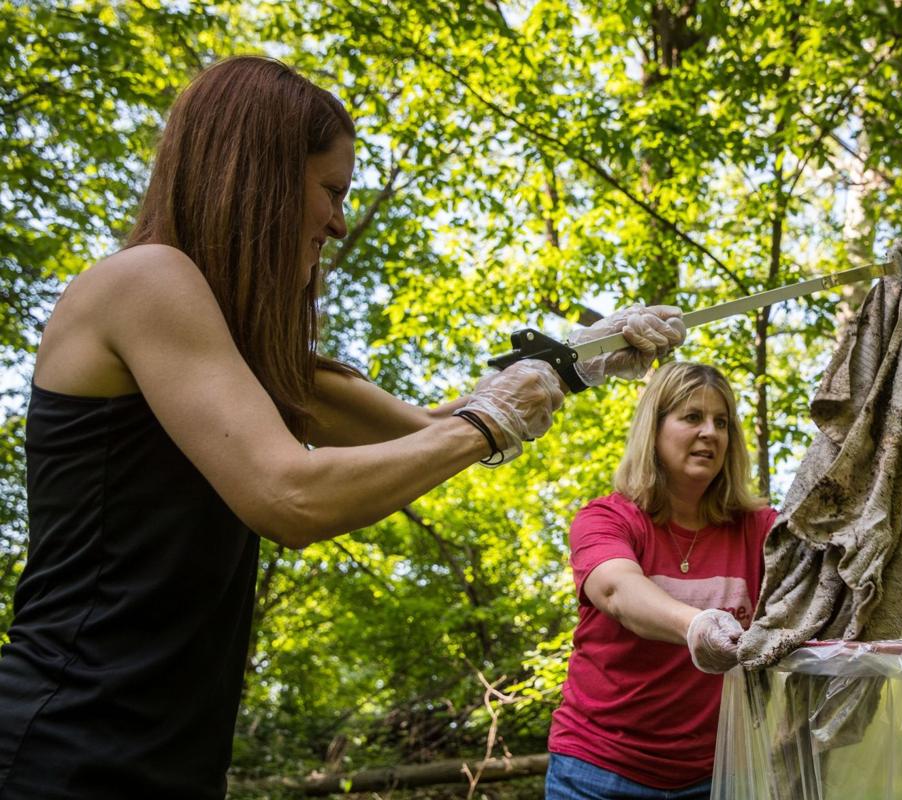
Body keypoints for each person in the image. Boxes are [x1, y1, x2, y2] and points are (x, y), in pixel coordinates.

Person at [0, 56, 683, 800]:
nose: (339, 219)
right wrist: (491, 421)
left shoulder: (250, 359)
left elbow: (428, 429)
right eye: (331, 190)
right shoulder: (144, 281)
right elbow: (290, 497)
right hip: (61, 747)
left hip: (168, 758)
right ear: (257, 177)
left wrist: (579, 360)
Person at [546, 362, 777, 799]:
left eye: (721, 422)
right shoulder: (608, 518)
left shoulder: (758, 528)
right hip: (598, 770)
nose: (710, 432)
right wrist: (696, 625)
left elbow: (824, 573)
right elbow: (616, 591)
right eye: (692, 417)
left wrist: (895, 598)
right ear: (654, 428)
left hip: (716, 773)